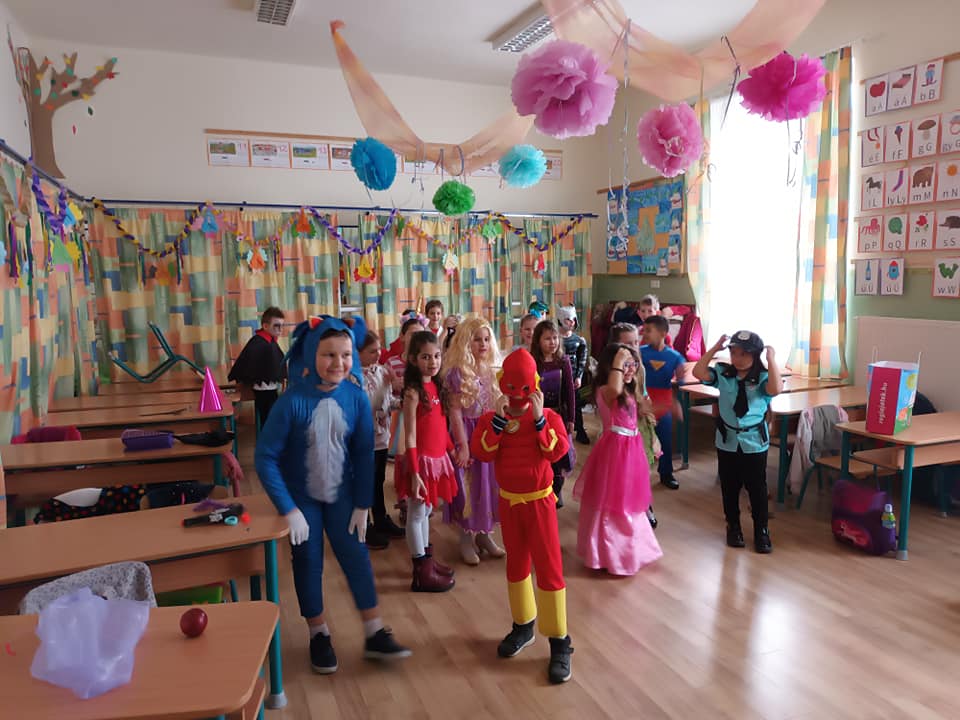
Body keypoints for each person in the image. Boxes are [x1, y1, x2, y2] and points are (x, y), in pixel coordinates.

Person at [255, 315, 411, 675]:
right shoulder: (291, 402)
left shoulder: (355, 398)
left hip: (342, 496)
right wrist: (288, 508)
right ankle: (318, 633)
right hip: (302, 500)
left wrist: (362, 503)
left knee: (356, 557)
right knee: (307, 561)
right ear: (312, 355)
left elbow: (363, 453)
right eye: (329, 355)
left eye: (345, 355)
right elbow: (265, 457)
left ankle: (374, 631)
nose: (338, 363)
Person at [470, 349, 574, 684]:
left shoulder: (550, 417)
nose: (517, 395)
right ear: (503, 384)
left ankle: (559, 641)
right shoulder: (491, 418)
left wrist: (540, 418)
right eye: (512, 387)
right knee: (516, 567)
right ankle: (523, 625)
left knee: (549, 568)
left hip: (540, 503)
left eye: (524, 388)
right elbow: (482, 451)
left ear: (535, 385)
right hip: (509, 503)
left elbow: (556, 451)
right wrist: (499, 422)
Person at [574, 344, 662, 575]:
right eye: (625, 364)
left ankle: (631, 550)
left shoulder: (629, 390)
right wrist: (619, 361)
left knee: (629, 499)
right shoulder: (606, 389)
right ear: (611, 367)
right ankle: (610, 554)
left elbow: (640, 413)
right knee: (612, 499)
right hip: (615, 451)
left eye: (633, 364)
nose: (630, 369)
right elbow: (614, 389)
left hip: (632, 449)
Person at [692, 330, 781, 553]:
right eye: (734, 353)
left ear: (755, 354)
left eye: (744, 354)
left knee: (757, 488)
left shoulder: (762, 377)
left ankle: (761, 531)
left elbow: (776, 389)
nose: (738, 358)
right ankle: (733, 527)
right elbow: (698, 372)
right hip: (728, 440)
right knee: (730, 486)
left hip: (754, 441)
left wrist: (771, 359)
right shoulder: (724, 373)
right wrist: (714, 349)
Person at [394, 331, 458, 591]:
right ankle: (421, 571)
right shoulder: (413, 392)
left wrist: (452, 449)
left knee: (427, 511)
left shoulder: (437, 387)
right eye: (425, 357)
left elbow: (440, 427)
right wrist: (414, 471)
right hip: (420, 462)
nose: (433, 362)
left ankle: (427, 561)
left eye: (436, 356)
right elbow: (410, 435)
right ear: (413, 359)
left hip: (436, 460)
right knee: (417, 512)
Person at [441, 317, 506, 565]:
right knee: (469, 487)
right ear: (465, 343)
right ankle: (466, 538)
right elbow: (455, 412)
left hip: (488, 435)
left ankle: (484, 534)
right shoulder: (457, 373)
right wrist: (463, 445)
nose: (483, 344)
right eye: (477, 339)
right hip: (467, 435)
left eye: (487, 339)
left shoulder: (491, 370)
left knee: (488, 485)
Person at [359, 332, 404, 549]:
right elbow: (367, 406)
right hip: (363, 439)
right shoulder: (353, 378)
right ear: (358, 353)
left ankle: (380, 518)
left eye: (379, 349)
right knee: (364, 482)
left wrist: (398, 403)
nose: (378, 354)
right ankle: (363, 525)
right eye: (372, 351)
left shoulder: (382, 371)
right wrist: (385, 390)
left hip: (381, 437)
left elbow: (387, 401)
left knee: (378, 480)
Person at [531, 319, 576, 508]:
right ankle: (544, 489)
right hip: (539, 417)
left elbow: (569, 391)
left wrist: (571, 418)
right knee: (542, 455)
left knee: (558, 456)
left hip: (558, 417)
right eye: (547, 338)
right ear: (538, 341)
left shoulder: (563, 361)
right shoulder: (533, 362)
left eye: (555, 338)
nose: (553, 342)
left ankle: (557, 490)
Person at [641, 316, 685, 490]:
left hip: (664, 403)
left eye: (648, 330)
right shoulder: (640, 352)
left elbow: (680, 381)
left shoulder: (675, 356)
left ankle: (666, 473)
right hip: (643, 401)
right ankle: (638, 475)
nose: (644, 334)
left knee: (665, 440)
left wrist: (676, 401)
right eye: (644, 330)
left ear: (662, 333)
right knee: (641, 441)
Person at [228, 307, 286, 425]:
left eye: (281, 326)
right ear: (265, 326)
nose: (280, 329)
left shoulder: (269, 341)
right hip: (263, 390)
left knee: (271, 418)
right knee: (269, 420)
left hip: (270, 388)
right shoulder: (260, 343)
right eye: (276, 326)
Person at [557, 306, 590, 445]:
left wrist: (579, 377)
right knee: (560, 404)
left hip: (573, 379)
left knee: (575, 405)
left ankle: (580, 430)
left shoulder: (579, 340)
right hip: (558, 379)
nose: (571, 323)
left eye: (573, 320)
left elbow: (582, 359)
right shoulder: (556, 340)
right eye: (568, 319)